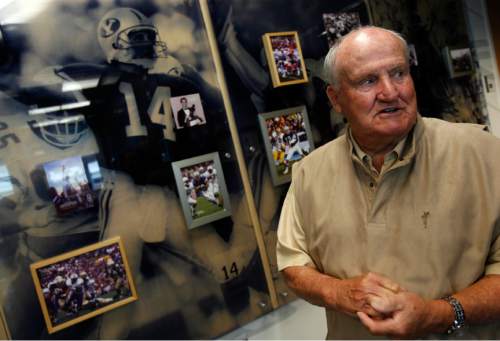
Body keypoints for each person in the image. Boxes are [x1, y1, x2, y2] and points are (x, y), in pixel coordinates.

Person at [276, 26, 500, 339]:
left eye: (398, 73)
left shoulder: (484, 154)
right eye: (368, 80)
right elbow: (293, 265)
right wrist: (339, 293)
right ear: (336, 98)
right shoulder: (308, 174)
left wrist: (441, 314)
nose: (390, 92)